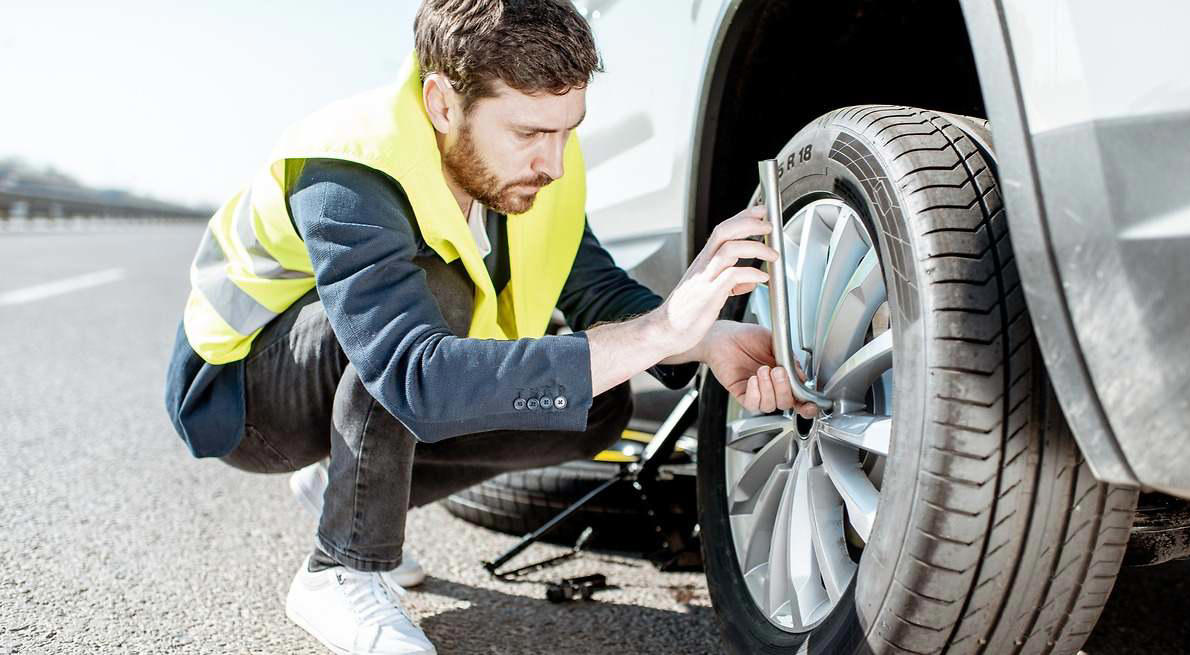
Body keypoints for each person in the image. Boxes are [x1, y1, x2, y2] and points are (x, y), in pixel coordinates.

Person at [164, 1, 818, 653]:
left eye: (567, 131)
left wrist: (704, 339)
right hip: (244, 396)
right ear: (443, 104)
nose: (555, 163)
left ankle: (349, 482)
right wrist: (659, 330)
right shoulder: (350, 166)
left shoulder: (540, 168)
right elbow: (412, 374)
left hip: (360, 372)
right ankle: (341, 568)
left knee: (599, 399)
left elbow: (591, 287)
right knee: (436, 295)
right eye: (531, 133)